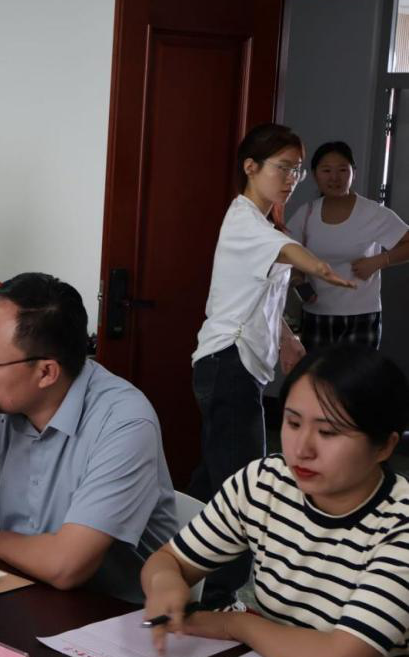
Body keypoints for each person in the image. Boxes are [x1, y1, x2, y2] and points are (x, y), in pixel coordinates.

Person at [0, 273, 177, 602]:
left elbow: (66, 566)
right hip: (23, 593)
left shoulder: (125, 423)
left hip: (113, 614)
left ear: (46, 372)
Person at [142, 345, 409, 657]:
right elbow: (168, 559)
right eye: (293, 423)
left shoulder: (400, 525)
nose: (302, 449)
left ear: (384, 447)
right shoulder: (265, 482)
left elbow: (344, 653)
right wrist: (164, 581)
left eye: (328, 432)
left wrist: (234, 624)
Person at [188, 123, 357, 605]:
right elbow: (292, 255)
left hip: (234, 364)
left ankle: (174, 573)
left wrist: (287, 338)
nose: (291, 179)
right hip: (229, 364)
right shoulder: (245, 220)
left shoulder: (261, 225)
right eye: (283, 168)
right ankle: (219, 598)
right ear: (251, 167)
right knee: (243, 486)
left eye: (297, 170)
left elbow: (258, 293)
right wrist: (324, 270)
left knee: (210, 481)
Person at [286, 141, 409, 351]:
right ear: (315, 175)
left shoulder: (372, 212)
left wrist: (380, 261)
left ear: (354, 173)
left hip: (362, 315)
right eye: (326, 170)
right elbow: (288, 254)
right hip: (317, 315)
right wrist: (298, 281)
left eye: (343, 170)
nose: (334, 177)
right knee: (317, 372)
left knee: (358, 373)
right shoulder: (306, 214)